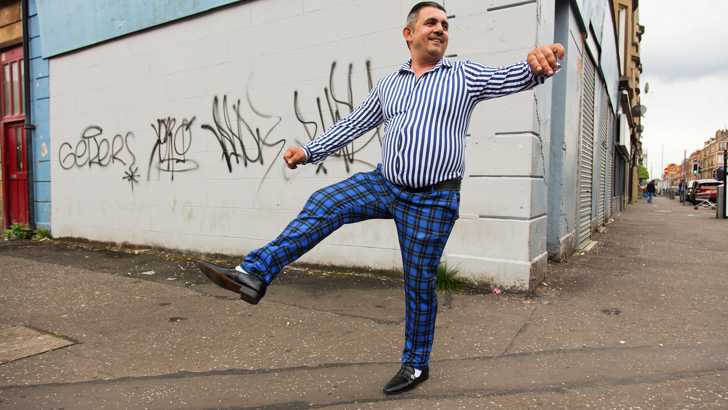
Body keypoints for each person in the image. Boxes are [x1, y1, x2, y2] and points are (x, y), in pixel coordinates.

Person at [198, 1, 564, 395]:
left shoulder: (463, 74)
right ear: (409, 34)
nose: (440, 29)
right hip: (385, 184)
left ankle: (416, 364)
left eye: (444, 23)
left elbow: (510, 76)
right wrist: (310, 151)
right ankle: (255, 273)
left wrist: (536, 65)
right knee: (326, 202)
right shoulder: (390, 84)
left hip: (432, 199)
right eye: (430, 23)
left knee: (419, 283)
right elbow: (355, 122)